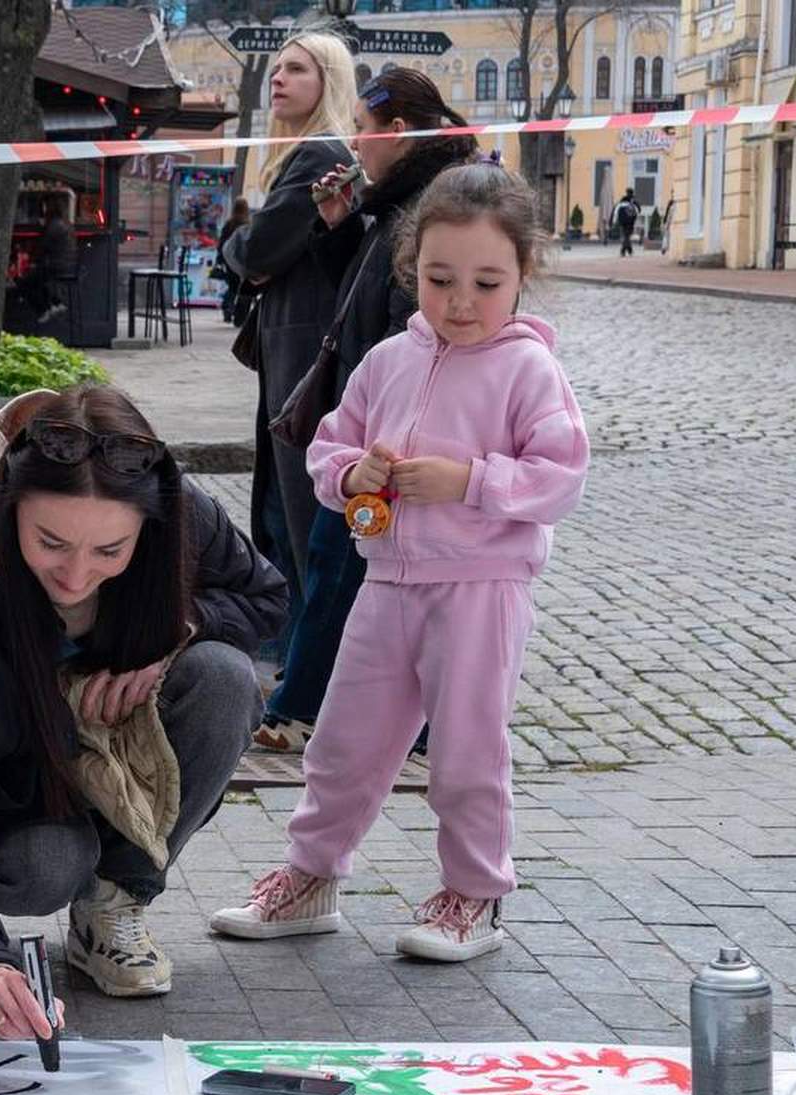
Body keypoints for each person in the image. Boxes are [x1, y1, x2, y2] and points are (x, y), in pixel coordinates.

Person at [212, 164, 589, 963]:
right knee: (343, 741)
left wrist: (472, 482)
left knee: (465, 750)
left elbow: (561, 476)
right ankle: (310, 877)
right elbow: (330, 443)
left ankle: (475, 894)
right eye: (439, 278)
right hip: (385, 582)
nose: (459, 301)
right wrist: (353, 475)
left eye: (486, 282)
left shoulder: (529, 370)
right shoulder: (388, 359)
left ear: (523, 275)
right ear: (411, 267)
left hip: (481, 590)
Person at [0, 386, 286, 1039]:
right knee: (48, 864)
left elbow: (265, 598)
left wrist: (179, 627)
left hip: (109, 736)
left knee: (225, 676)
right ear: (8, 507)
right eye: (51, 542)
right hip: (6, 780)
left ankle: (117, 897)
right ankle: (45, 879)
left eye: (110, 551)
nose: (77, 576)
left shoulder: (172, 504)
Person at [251, 70, 478, 754]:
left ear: (400, 132)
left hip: (394, 429)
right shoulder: (397, 204)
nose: (357, 141)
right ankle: (391, 720)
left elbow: (417, 325)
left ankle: (309, 710)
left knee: (353, 564)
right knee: (346, 564)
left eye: (366, 128)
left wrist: (397, 425)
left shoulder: (432, 207)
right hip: (370, 418)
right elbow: (362, 293)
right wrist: (339, 228)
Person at [221, 30, 360, 637]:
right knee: (283, 509)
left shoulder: (318, 153)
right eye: (276, 68)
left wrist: (234, 244)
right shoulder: (308, 151)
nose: (278, 78)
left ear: (326, 82)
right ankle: (295, 659)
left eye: (296, 70)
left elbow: (258, 250)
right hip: (293, 348)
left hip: (304, 354)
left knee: (293, 513)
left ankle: (304, 666)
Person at [22, 196, 78, 324]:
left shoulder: (54, 226)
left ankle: (44, 309)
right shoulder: (66, 224)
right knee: (39, 279)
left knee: (25, 282)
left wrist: (31, 261)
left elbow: (43, 247)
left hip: (55, 266)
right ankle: (56, 302)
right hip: (67, 265)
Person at [214, 197, 250, 325]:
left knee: (232, 286)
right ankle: (239, 314)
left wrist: (220, 258)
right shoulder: (247, 224)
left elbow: (222, 243)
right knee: (242, 287)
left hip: (228, 259)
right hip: (243, 261)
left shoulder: (229, 224)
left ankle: (227, 308)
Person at [614, 188, 640, 257]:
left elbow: (616, 210)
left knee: (626, 236)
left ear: (626, 192)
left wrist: (615, 220)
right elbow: (638, 210)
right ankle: (624, 251)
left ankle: (628, 251)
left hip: (622, 222)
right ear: (632, 193)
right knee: (627, 236)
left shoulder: (622, 200)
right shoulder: (634, 201)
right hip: (630, 222)